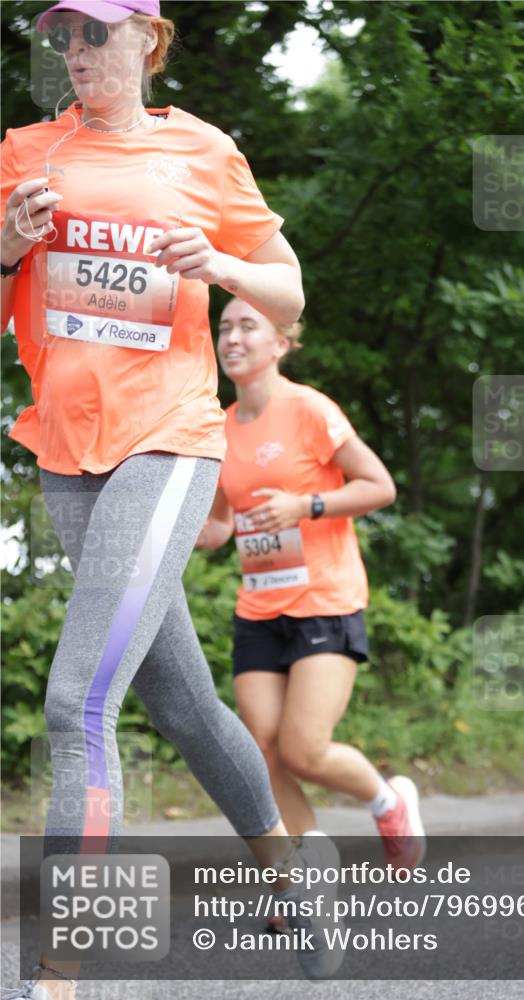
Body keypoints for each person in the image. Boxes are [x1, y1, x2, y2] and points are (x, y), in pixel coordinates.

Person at [0, 2, 343, 993]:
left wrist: (221, 263)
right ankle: (295, 887)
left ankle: (59, 974)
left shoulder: (202, 150)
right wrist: (10, 246)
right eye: (63, 35)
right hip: (69, 456)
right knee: (182, 699)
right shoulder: (23, 151)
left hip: (171, 444)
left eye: (96, 33)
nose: (75, 53)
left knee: (77, 702)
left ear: (148, 42)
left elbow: (288, 292)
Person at [196, 296, 427, 932]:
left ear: (281, 344)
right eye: (224, 327)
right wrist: (174, 532)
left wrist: (306, 507)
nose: (232, 337)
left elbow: (379, 485)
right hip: (259, 607)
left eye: (248, 326)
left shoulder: (311, 410)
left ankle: (389, 802)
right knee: (261, 750)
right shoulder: (217, 426)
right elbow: (220, 523)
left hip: (325, 599)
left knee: (303, 748)